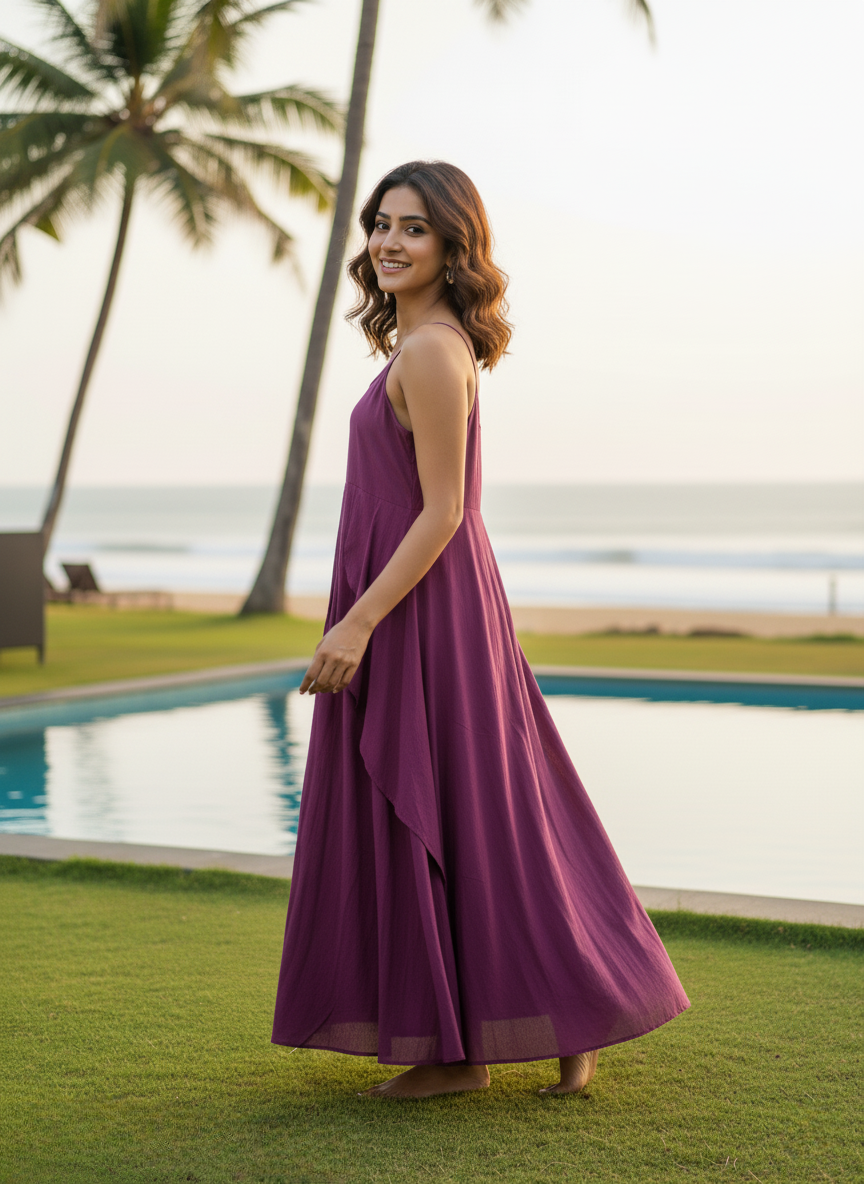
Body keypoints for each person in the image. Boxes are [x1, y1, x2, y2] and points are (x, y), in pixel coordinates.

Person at [271, 160, 689, 1099]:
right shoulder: (427, 343)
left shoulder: (430, 350)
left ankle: (477, 1046)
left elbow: (442, 511)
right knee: (488, 811)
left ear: (454, 244)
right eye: (381, 224)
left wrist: (357, 625)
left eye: (413, 228)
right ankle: (535, 1024)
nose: (387, 241)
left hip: (423, 613)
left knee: (476, 810)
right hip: (426, 604)